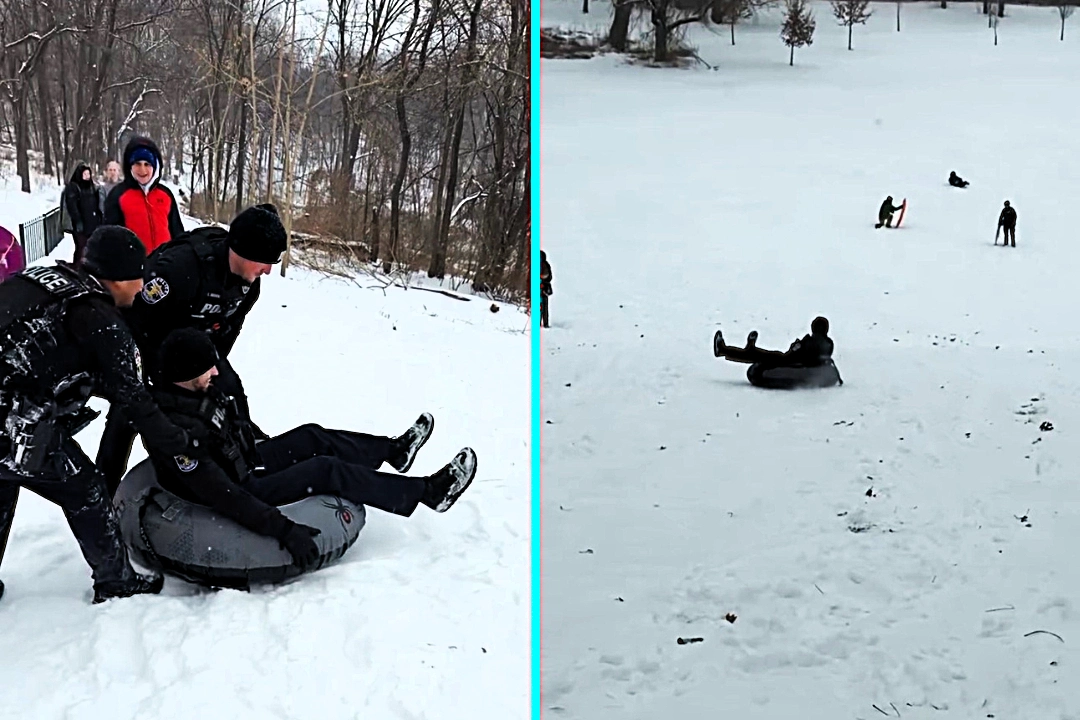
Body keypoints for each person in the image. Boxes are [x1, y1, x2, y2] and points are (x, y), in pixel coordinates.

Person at [141, 328, 478, 572]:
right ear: (185, 373)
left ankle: (394, 451)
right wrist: (284, 529)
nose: (215, 372)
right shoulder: (176, 435)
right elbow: (224, 494)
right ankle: (428, 493)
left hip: (243, 459)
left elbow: (232, 420)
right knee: (326, 469)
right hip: (242, 486)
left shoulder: (193, 391)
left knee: (311, 436)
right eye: (207, 368)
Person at [0, 227, 205, 604]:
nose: (143, 285)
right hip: (13, 421)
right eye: (139, 276)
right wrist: (178, 440)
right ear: (119, 278)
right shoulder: (105, 323)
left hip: (9, 400)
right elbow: (135, 402)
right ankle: (116, 580)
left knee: (2, 481)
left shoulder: (44, 277)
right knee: (86, 488)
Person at [95, 203, 286, 496]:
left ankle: (247, 465)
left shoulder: (249, 287)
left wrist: (206, 373)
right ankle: (103, 497)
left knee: (230, 391)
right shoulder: (179, 268)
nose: (269, 271)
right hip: (148, 352)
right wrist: (158, 377)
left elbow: (226, 336)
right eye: (264, 261)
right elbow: (132, 319)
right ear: (243, 250)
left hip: (194, 353)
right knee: (127, 418)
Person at [103, 136, 185, 253]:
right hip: (134, 266)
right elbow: (108, 238)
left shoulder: (165, 194)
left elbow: (177, 232)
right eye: (138, 164)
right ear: (130, 166)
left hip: (166, 264)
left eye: (147, 164)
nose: (142, 170)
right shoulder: (118, 195)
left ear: (155, 167)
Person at [713, 316, 834, 368]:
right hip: (796, 363)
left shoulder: (810, 342)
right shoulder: (828, 343)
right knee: (765, 355)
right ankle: (750, 349)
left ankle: (723, 350)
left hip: (791, 363)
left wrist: (797, 345)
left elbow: (796, 353)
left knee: (762, 356)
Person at [62, 163, 104, 264]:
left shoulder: (92, 187)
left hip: (91, 223)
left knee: (90, 247)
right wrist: (78, 221)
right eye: (84, 174)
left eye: (88, 174)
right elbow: (72, 206)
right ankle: (78, 267)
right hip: (80, 224)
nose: (87, 177)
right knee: (81, 247)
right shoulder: (73, 187)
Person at [539, 250, 553, 329]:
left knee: (543, 305)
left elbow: (548, 276)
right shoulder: (544, 264)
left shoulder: (545, 265)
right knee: (542, 305)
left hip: (543, 287)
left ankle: (544, 323)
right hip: (541, 287)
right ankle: (542, 323)